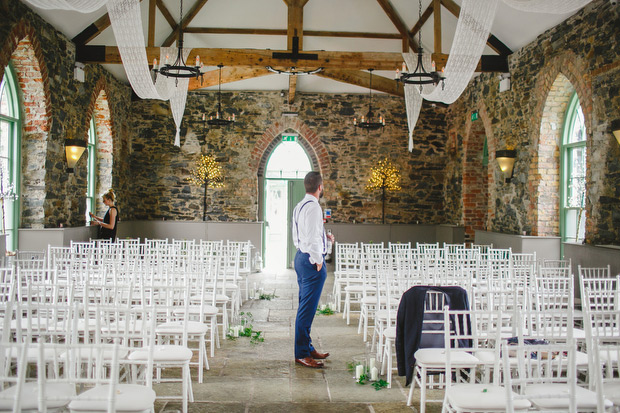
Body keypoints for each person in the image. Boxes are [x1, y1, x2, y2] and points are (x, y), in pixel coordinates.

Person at [292, 171, 335, 368]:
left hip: (301, 257)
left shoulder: (299, 206)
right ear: (320, 187)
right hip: (311, 262)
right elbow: (310, 239)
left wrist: (325, 241)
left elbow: (300, 236)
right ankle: (301, 353)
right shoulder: (315, 208)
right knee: (306, 311)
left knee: (306, 307)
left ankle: (307, 348)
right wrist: (318, 259)